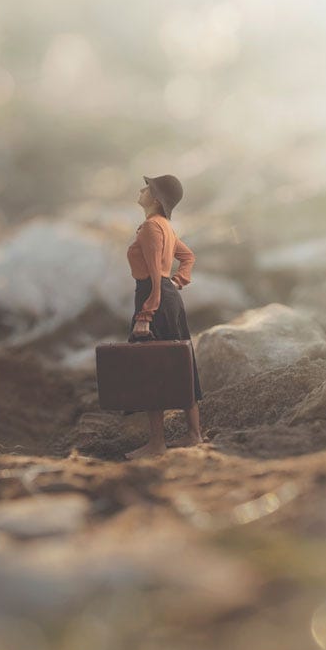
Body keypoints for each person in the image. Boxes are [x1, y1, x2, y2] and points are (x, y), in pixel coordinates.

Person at [124, 174, 203, 458]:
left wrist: (145, 314)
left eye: (147, 187)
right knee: (181, 362)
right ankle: (194, 435)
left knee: (151, 366)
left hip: (153, 297)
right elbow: (188, 257)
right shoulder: (165, 226)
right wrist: (178, 281)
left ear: (155, 199)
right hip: (168, 298)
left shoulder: (150, 228)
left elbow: (156, 276)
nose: (142, 189)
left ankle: (157, 443)